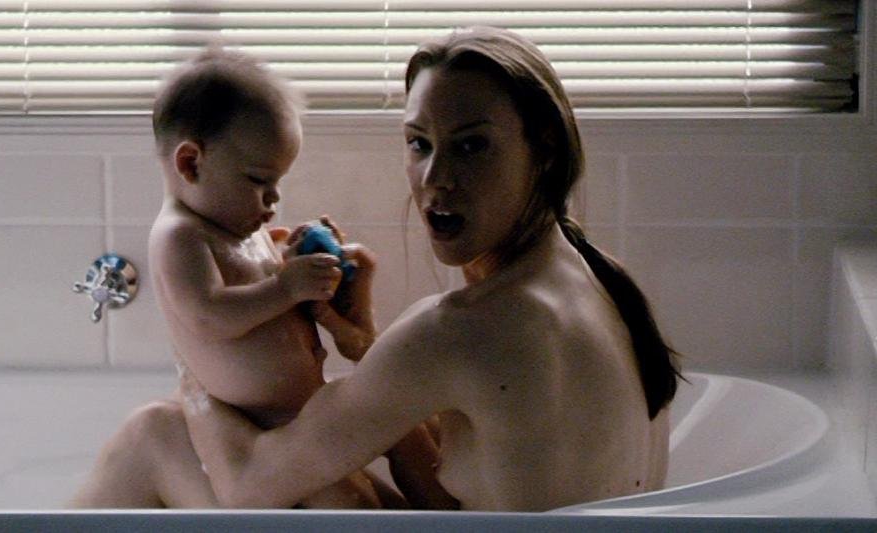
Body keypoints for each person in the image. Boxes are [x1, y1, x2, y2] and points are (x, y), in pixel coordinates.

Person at [80, 26, 682, 511]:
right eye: (419, 143)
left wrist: (193, 373)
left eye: (472, 145)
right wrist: (366, 345)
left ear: (543, 147)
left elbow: (246, 489)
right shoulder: (601, 281)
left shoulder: (457, 329)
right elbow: (469, 486)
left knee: (154, 434)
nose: (436, 178)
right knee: (327, 479)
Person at [68, 46, 443, 509]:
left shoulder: (241, 230)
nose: (272, 199)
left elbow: (265, 301)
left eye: (277, 183)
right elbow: (209, 315)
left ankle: (448, 520)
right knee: (348, 507)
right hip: (255, 426)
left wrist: (295, 264)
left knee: (380, 492)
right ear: (191, 164)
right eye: (258, 181)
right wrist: (285, 287)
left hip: (295, 421)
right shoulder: (180, 236)